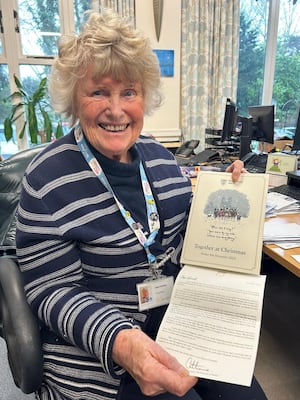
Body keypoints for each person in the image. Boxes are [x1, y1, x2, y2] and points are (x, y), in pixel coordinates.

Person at [15, 10, 265, 400]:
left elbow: (186, 249)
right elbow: (52, 290)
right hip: (96, 352)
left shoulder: (163, 162)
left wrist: (229, 199)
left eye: (128, 92)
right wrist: (121, 341)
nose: (116, 110)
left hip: (176, 327)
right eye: (98, 92)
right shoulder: (46, 179)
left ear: (144, 96)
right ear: (73, 99)